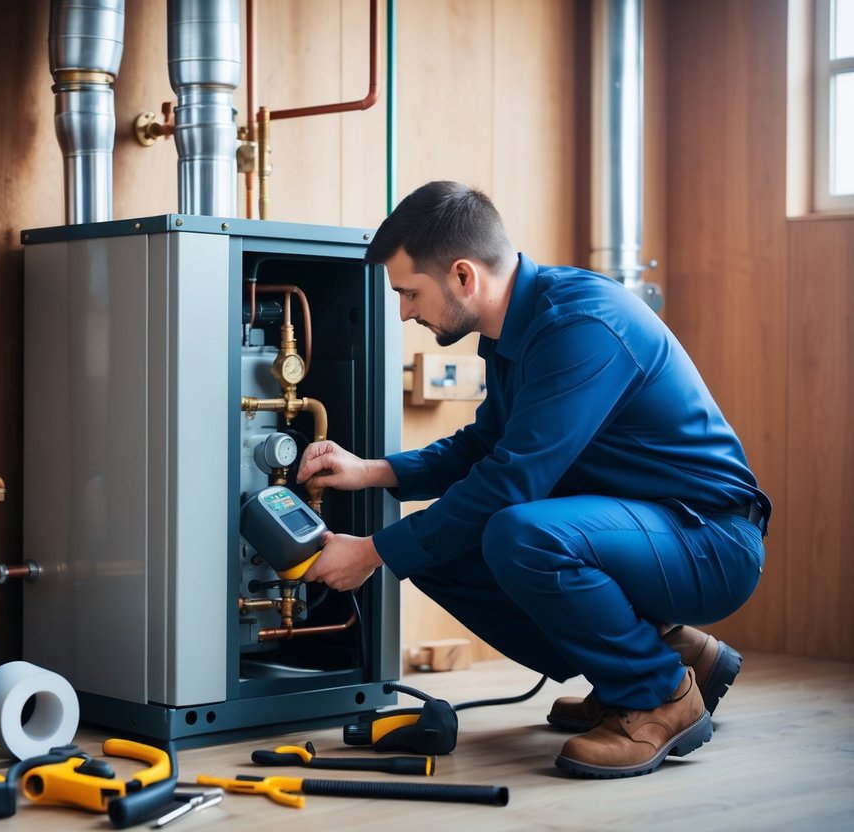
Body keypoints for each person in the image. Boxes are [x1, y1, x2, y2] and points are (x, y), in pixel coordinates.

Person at [296, 181, 769, 779]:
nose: (404, 312)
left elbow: (510, 482)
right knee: (438, 550)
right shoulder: (513, 331)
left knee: (519, 532)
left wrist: (371, 552)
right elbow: (488, 446)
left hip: (710, 540)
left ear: (464, 276)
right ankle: (665, 654)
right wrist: (375, 471)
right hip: (649, 528)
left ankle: (656, 695)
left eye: (410, 292)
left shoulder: (580, 326)